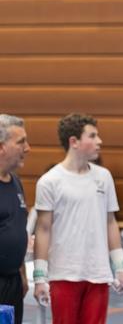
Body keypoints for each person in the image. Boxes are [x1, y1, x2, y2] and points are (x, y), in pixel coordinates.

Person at [33, 113, 123, 324]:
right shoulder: (50, 182)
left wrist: (120, 266)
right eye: (92, 136)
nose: (99, 141)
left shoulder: (104, 177)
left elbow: (110, 222)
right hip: (63, 274)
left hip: (98, 274)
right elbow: (43, 229)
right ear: (74, 142)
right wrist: (39, 277)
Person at [0, 114, 31, 324]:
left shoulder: (16, 183)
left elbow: (18, 230)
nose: (27, 148)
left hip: (12, 284)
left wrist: (22, 273)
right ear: (2, 147)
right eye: (21, 142)